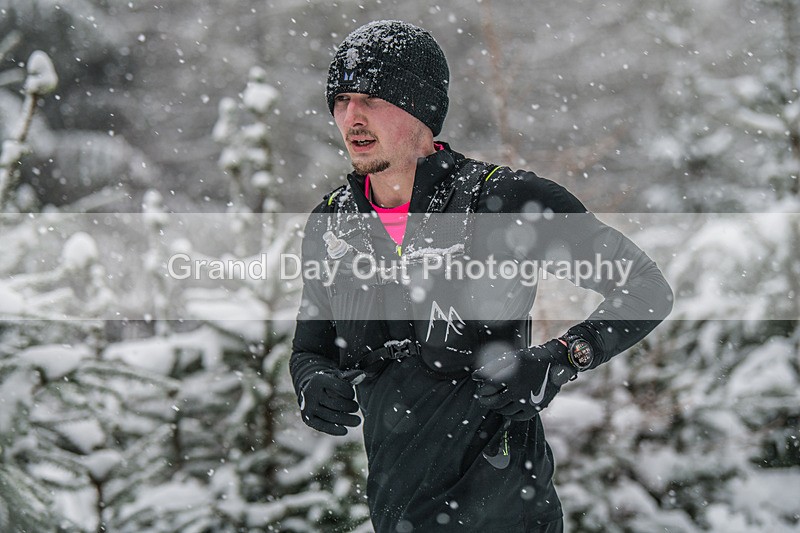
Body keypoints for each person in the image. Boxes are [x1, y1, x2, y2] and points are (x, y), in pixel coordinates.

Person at [290, 20, 673, 532]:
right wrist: (311, 381)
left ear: (420, 108)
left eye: (373, 98)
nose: (351, 117)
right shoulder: (333, 224)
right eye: (341, 100)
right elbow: (310, 348)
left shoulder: (504, 202)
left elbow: (645, 287)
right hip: (398, 514)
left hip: (508, 511)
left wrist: (560, 359)